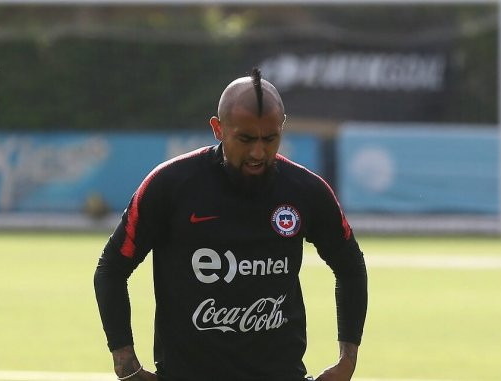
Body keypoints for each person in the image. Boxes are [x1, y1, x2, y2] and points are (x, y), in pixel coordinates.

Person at [94, 68, 367, 381]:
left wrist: (347, 360)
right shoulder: (169, 185)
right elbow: (112, 269)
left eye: (270, 138)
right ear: (218, 128)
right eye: (246, 138)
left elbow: (350, 266)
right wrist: (125, 363)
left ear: (282, 128)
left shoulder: (306, 190)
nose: (258, 152)